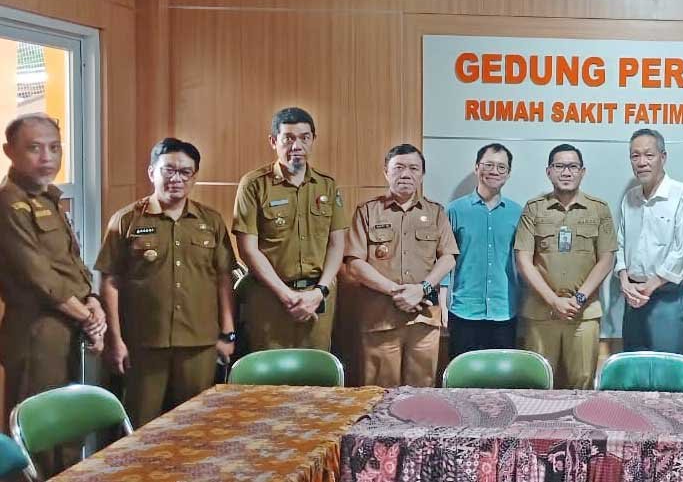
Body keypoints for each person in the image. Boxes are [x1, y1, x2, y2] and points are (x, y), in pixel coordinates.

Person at [95, 138, 235, 427]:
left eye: (185, 172)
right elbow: (110, 281)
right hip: (144, 343)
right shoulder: (126, 221)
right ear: (152, 172)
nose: (176, 178)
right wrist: (115, 339)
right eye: (168, 170)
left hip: (199, 343)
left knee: (196, 425)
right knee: (141, 425)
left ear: (194, 176)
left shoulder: (211, 221)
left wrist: (228, 334)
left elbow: (223, 278)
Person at [0, 113, 105, 475]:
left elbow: (72, 264)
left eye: (54, 147)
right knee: (39, 434)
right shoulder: (8, 203)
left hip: (68, 326)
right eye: (34, 148)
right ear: (9, 151)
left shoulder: (48, 198)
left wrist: (93, 301)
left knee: (69, 429)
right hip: (36, 333)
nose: (47, 157)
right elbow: (39, 277)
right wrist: (89, 317)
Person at [232, 107, 348, 351]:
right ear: (273, 141)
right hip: (269, 298)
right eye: (288, 138)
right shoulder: (254, 184)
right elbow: (248, 249)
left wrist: (320, 291)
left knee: (315, 369)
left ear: (313, 140)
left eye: (305, 137)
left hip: (317, 296)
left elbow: (337, 244)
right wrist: (287, 295)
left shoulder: (327, 185)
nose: (297, 146)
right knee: (269, 370)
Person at [344, 144, 457, 387]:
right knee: (379, 391)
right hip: (380, 319)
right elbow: (354, 264)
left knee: (422, 389)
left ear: (422, 175)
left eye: (413, 168)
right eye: (398, 168)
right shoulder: (367, 212)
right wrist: (398, 292)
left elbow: (448, 257)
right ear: (386, 172)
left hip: (424, 319)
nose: (406, 174)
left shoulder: (436, 212)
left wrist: (422, 289)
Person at [516, 144, 617, 389]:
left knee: (582, 382)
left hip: (583, 313)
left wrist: (579, 298)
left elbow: (607, 258)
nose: (566, 172)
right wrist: (553, 301)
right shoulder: (533, 208)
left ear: (582, 172)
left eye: (573, 166)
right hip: (541, 312)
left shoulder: (599, 208)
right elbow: (523, 260)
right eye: (559, 166)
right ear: (549, 171)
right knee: (538, 383)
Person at [616, 128, 683, 356]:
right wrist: (624, 280)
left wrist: (650, 286)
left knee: (667, 366)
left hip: (669, 296)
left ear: (663, 157)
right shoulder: (630, 198)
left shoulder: (682, 194)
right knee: (633, 364)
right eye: (635, 156)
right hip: (633, 296)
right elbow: (620, 243)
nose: (641, 162)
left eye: (649, 155)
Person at [442, 143, 522, 358]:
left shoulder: (518, 212)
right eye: (488, 165)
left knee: (502, 376)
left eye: (501, 167)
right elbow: (444, 259)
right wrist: (442, 304)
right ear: (477, 167)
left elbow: (523, 263)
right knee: (462, 374)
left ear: (508, 173)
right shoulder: (454, 210)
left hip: (504, 311)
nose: (495, 171)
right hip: (464, 311)